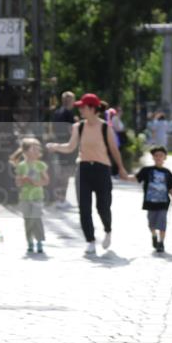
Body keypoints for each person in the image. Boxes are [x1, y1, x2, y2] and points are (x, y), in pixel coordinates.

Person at [45, 93, 134, 255]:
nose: (80, 109)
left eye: (83, 107)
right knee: (84, 208)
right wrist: (56, 146)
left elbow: (114, 150)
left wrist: (121, 168)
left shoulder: (105, 127)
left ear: (92, 108)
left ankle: (107, 230)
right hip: (83, 169)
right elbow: (70, 147)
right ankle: (90, 241)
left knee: (103, 207)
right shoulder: (78, 126)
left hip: (102, 170)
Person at [136, 146, 172, 253]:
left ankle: (161, 243)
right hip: (150, 202)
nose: (159, 157)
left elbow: (171, 188)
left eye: (161, 155)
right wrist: (123, 175)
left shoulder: (167, 173)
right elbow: (136, 178)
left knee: (162, 223)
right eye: (156, 155)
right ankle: (154, 235)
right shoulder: (147, 170)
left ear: (165, 157)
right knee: (151, 223)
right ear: (153, 157)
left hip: (163, 203)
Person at [10, 137, 49, 254]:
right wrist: (23, 179)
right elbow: (17, 183)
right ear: (26, 152)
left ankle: (39, 241)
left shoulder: (40, 165)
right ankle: (30, 241)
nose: (37, 151)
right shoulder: (21, 166)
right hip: (25, 197)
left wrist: (36, 182)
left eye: (38, 149)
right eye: (34, 149)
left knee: (36, 218)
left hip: (37, 196)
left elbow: (46, 180)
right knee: (28, 219)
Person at [50, 91, 77, 208]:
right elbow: (71, 130)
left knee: (60, 173)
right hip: (67, 146)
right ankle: (61, 200)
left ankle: (58, 199)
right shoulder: (68, 114)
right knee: (65, 174)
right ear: (70, 100)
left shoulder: (57, 112)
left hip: (58, 145)